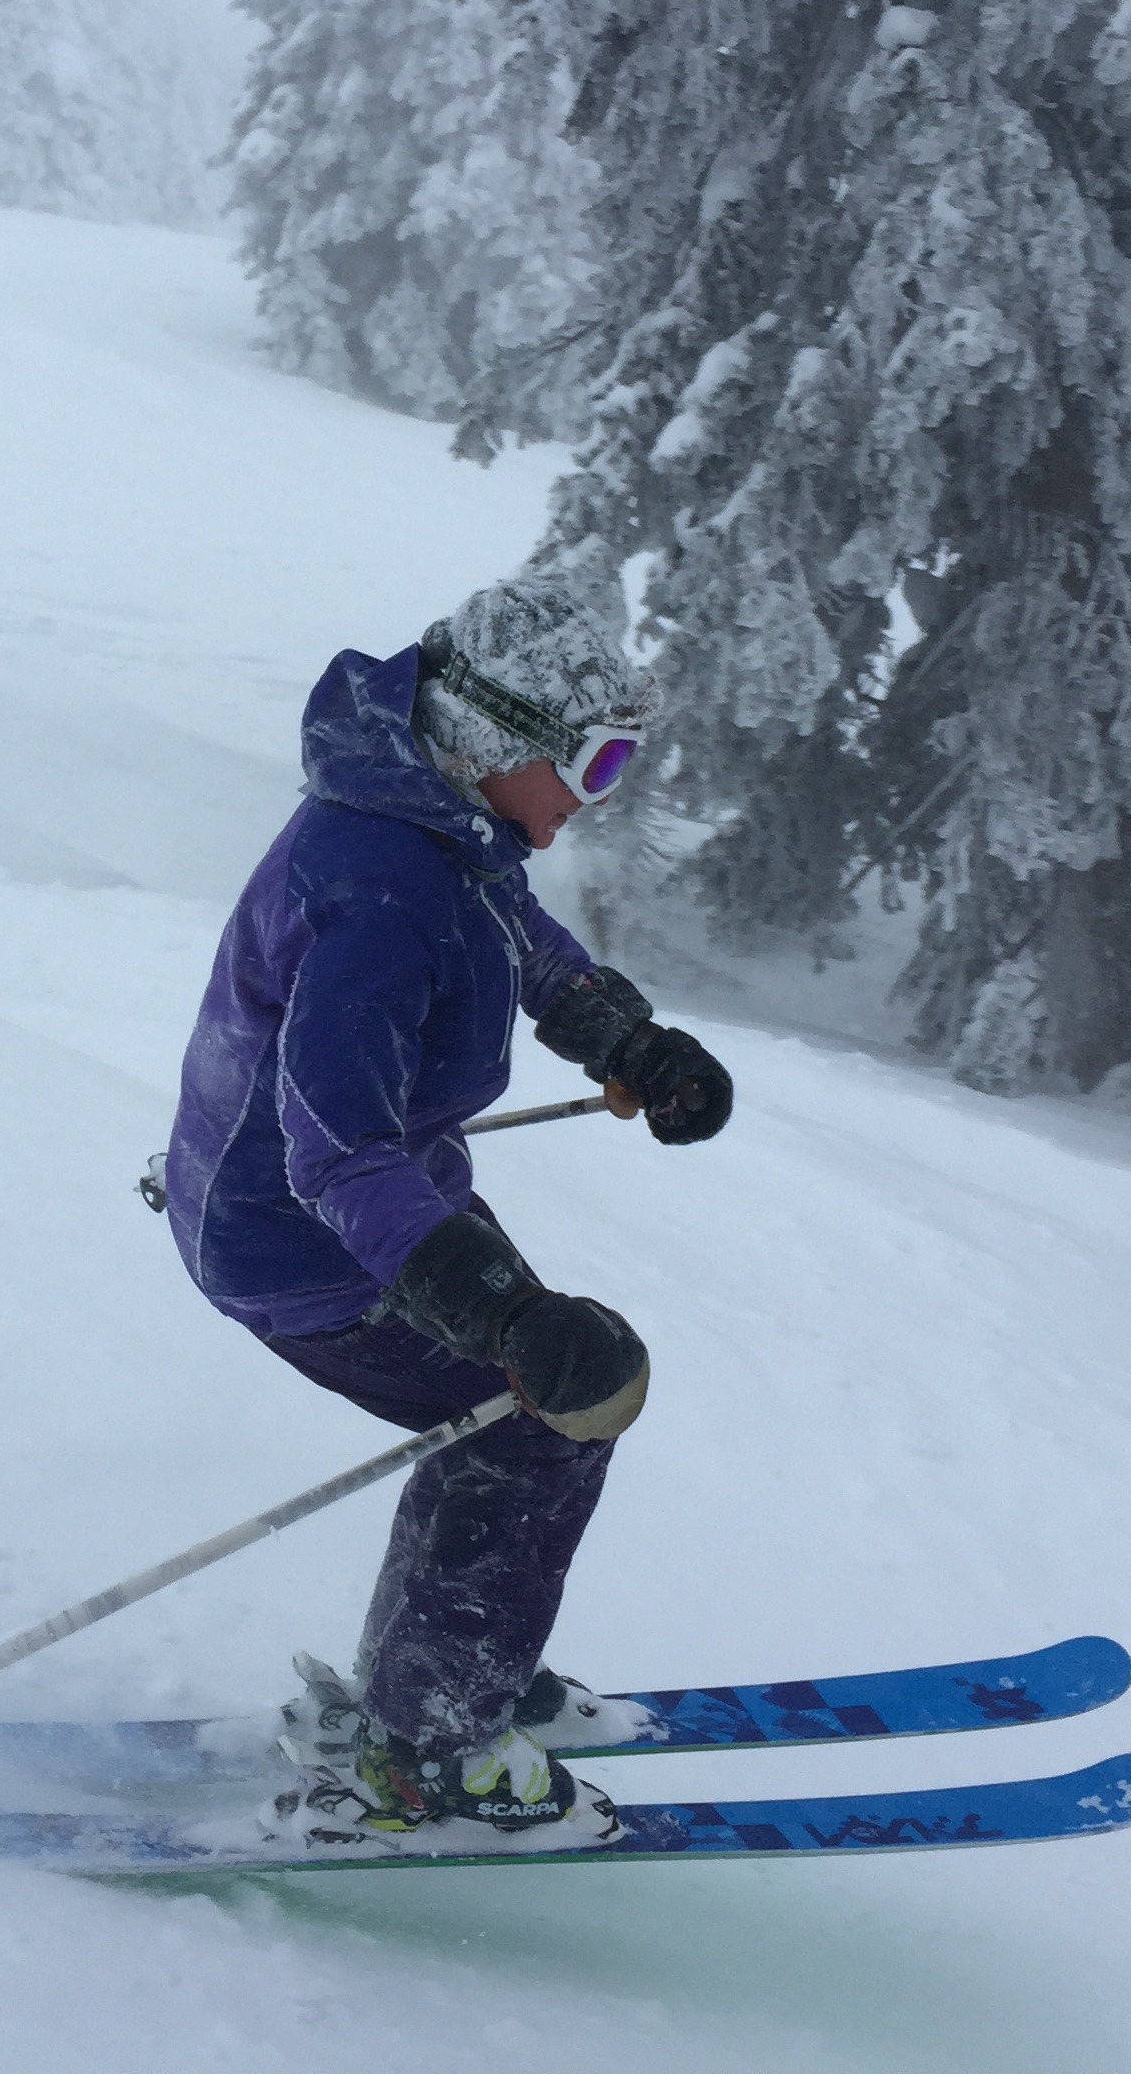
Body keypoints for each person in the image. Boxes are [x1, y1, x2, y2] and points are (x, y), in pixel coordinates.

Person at [160, 575, 732, 1849]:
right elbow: (338, 1153)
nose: (606, 787)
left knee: (522, 1412)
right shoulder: (381, 896)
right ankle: (426, 1755)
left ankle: (438, 1669)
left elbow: (513, 930)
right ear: (498, 741)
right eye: (598, 756)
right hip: (303, 1238)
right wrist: (506, 1312)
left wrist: (623, 1037)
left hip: (362, 1201)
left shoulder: (429, 823)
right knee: (539, 1424)